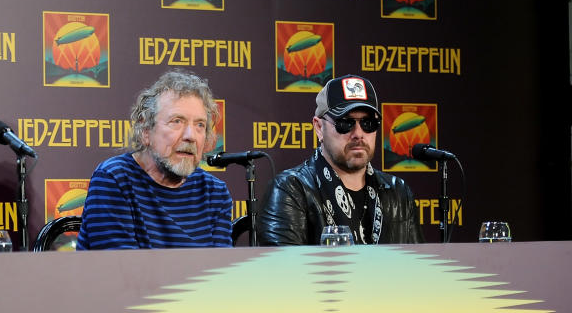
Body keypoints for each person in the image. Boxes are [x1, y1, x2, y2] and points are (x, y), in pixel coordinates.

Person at [257, 74, 423, 245]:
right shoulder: (291, 190)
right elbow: (284, 269)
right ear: (319, 127)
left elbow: (417, 266)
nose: (358, 134)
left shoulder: (398, 192)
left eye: (368, 123)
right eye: (345, 123)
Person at [77, 70, 233, 249]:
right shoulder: (114, 179)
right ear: (145, 131)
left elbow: (221, 271)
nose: (191, 136)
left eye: (200, 125)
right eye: (177, 121)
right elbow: (120, 271)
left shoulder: (214, 193)